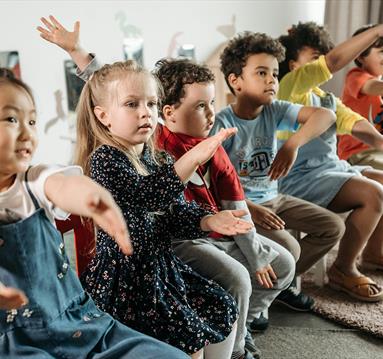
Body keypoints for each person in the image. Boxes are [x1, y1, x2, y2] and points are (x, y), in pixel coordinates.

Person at [0, 68, 189, 358]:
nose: (27, 133)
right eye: (12, 119)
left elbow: (63, 186)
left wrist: (96, 200)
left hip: (78, 320)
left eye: (32, 120)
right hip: (14, 340)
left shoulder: (31, 181)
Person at [211, 31, 346, 310]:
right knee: (291, 248)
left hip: (276, 198)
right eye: (261, 72)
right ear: (236, 81)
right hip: (243, 206)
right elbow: (212, 183)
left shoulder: (275, 110)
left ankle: (275, 286)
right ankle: (262, 296)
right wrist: (250, 208)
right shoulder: (223, 124)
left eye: (274, 72)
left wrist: (292, 144)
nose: (272, 79)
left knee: (333, 227)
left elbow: (326, 115)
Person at [278, 21, 383, 301]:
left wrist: (380, 141)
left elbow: (357, 124)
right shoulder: (289, 88)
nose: (321, 66)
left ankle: (372, 255)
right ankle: (343, 268)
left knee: (381, 181)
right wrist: (375, 31)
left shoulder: (325, 98)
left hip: (331, 171)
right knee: (374, 194)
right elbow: (334, 62)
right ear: (292, 66)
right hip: (298, 178)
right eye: (314, 59)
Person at [338, 24, 383, 169]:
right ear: (360, 57)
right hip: (358, 154)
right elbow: (372, 87)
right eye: (381, 52)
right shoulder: (355, 76)